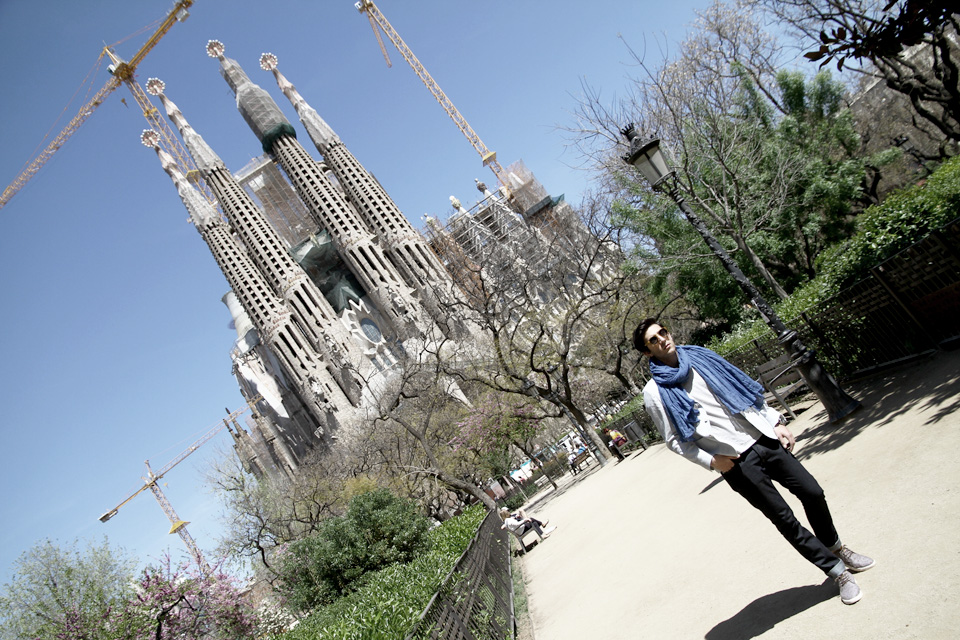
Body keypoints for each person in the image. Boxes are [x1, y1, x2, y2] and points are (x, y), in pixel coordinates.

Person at [633, 318, 874, 605]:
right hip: (735, 462)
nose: (662, 339)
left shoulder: (699, 355)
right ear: (647, 351)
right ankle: (836, 572)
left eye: (663, 332)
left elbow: (742, 390)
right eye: (653, 339)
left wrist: (775, 420)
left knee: (813, 492)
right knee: (784, 519)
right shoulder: (654, 392)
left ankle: (836, 548)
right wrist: (711, 461)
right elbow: (674, 440)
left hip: (763, 439)